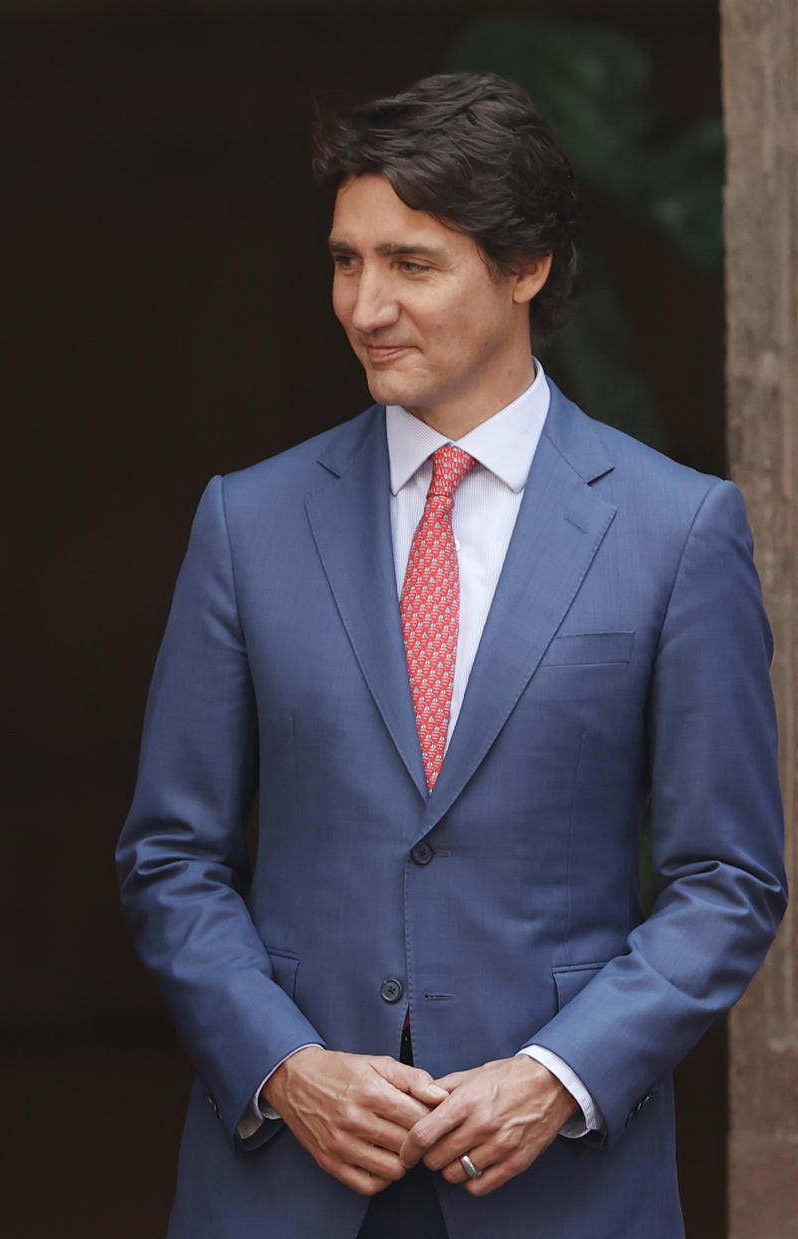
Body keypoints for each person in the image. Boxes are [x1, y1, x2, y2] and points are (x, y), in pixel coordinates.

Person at [116, 72, 787, 1238]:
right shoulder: (247, 521)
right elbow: (171, 857)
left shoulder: (677, 529)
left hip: (560, 1180)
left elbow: (726, 880)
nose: (365, 304)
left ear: (526, 268)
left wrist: (559, 1077)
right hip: (290, 1178)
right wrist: (283, 1065)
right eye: (345, 261)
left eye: (411, 264)